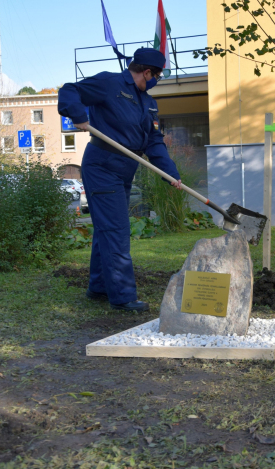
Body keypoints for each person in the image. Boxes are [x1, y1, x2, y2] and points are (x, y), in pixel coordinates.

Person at [58, 48, 182, 311]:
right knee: (116, 229)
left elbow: (154, 140)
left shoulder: (148, 102)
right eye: (157, 75)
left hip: (126, 168)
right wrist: (78, 115)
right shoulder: (109, 83)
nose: (157, 80)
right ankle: (123, 296)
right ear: (147, 72)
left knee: (108, 227)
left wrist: (170, 172)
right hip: (102, 165)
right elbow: (69, 90)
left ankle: (99, 286)